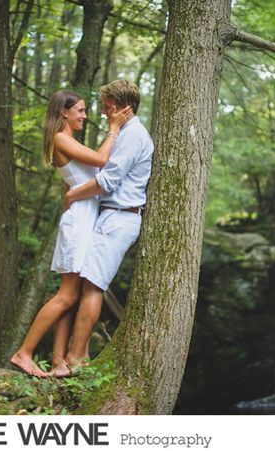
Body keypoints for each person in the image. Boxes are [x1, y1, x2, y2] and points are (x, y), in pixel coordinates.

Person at [9, 89, 132, 377]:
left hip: (83, 218)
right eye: (80, 110)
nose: (85, 115)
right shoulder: (60, 138)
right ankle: (23, 353)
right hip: (78, 223)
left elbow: (73, 182)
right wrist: (114, 129)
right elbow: (102, 161)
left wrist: (71, 195)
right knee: (66, 295)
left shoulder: (67, 140)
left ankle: (58, 361)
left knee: (71, 294)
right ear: (64, 112)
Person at [62, 80, 153, 369]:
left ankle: (75, 358)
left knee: (92, 287)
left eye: (108, 106)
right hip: (110, 215)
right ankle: (81, 355)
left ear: (125, 107)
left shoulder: (133, 135)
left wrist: (74, 193)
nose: (103, 112)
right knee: (87, 283)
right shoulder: (124, 133)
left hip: (120, 217)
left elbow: (108, 180)